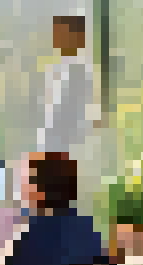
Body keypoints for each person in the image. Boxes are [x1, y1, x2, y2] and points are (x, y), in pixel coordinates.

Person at [36, 16, 97, 158]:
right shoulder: (54, 69)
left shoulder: (80, 70)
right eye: (58, 33)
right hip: (50, 144)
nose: (58, 38)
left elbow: (82, 112)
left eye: (65, 34)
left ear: (79, 38)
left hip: (67, 146)